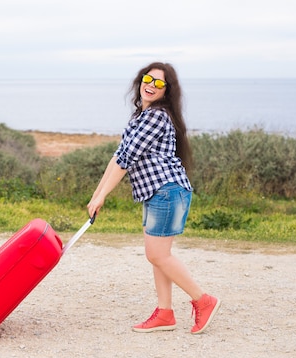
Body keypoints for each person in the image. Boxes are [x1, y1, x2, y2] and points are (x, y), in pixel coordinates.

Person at [86, 62, 221, 334]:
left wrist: (103, 197)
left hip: (167, 191)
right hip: (158, 192)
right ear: (140, 80)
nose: (151, 85)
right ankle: (165, 313)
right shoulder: (140, 116)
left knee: (157, 255)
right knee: (160, 256)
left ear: (166, 91)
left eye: (159, 83)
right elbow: (118, 156)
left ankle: (203, 300)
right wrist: (96, 195)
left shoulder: (157, 117)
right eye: (148, 79)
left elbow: (126, 160)